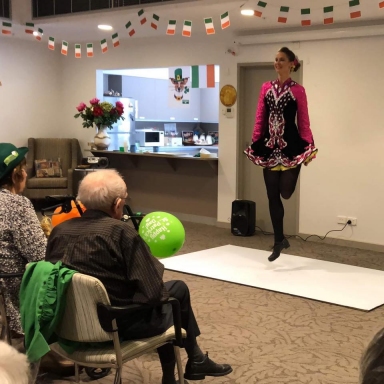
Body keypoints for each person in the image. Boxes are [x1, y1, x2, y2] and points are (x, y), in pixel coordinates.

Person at [45, 169, 232, 384]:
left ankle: (194, 360)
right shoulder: (120, 232)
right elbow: (153, 292)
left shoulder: (59, 231)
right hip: (114, 326)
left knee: (166, 299)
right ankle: (182, 369)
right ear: (117, 204)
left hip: (71, 322)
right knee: (173, 294)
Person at [244, 46, 318, 262]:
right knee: (272, 195)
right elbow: (260, 117)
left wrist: (309, 145)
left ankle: (280, 239)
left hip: (291, 146)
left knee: (286, 192)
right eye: (275, 60)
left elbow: (303, 121)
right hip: (269, 146)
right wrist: (257, 140)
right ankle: (279, 240)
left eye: (281, 60)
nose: (277, 63)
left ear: (291, 63)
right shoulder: (266, 87)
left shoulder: (298, 90)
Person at [0, 143, 46, 338]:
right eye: (24, 169)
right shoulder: (18, 204)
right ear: (15, 175)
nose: (27, 174)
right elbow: (40, 254)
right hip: (14, 285)